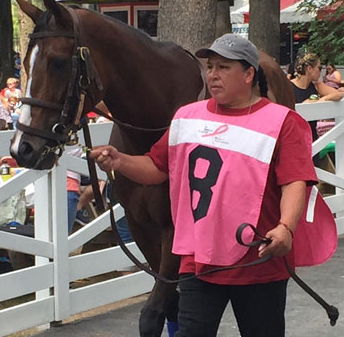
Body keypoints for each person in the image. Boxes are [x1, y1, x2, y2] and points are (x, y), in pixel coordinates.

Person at [90, 34, 320, 337]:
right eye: (210, 67)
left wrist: (287, 227)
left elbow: (294, 181)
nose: (213, 75)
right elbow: (157, 168)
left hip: (259, 261)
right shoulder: (187, 117)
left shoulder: (282, 122)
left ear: (249, 74)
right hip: (199, 260)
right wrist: (119, 161)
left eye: (224, 67)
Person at [289, 52, 343, 142]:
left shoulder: (316, 86)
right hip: (294, 137)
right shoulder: (289, 87)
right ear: (309, 69)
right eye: (319, 68)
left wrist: (322, 100)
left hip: (312, 137)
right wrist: (303, 106)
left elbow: (338, 94)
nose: (320, 71)